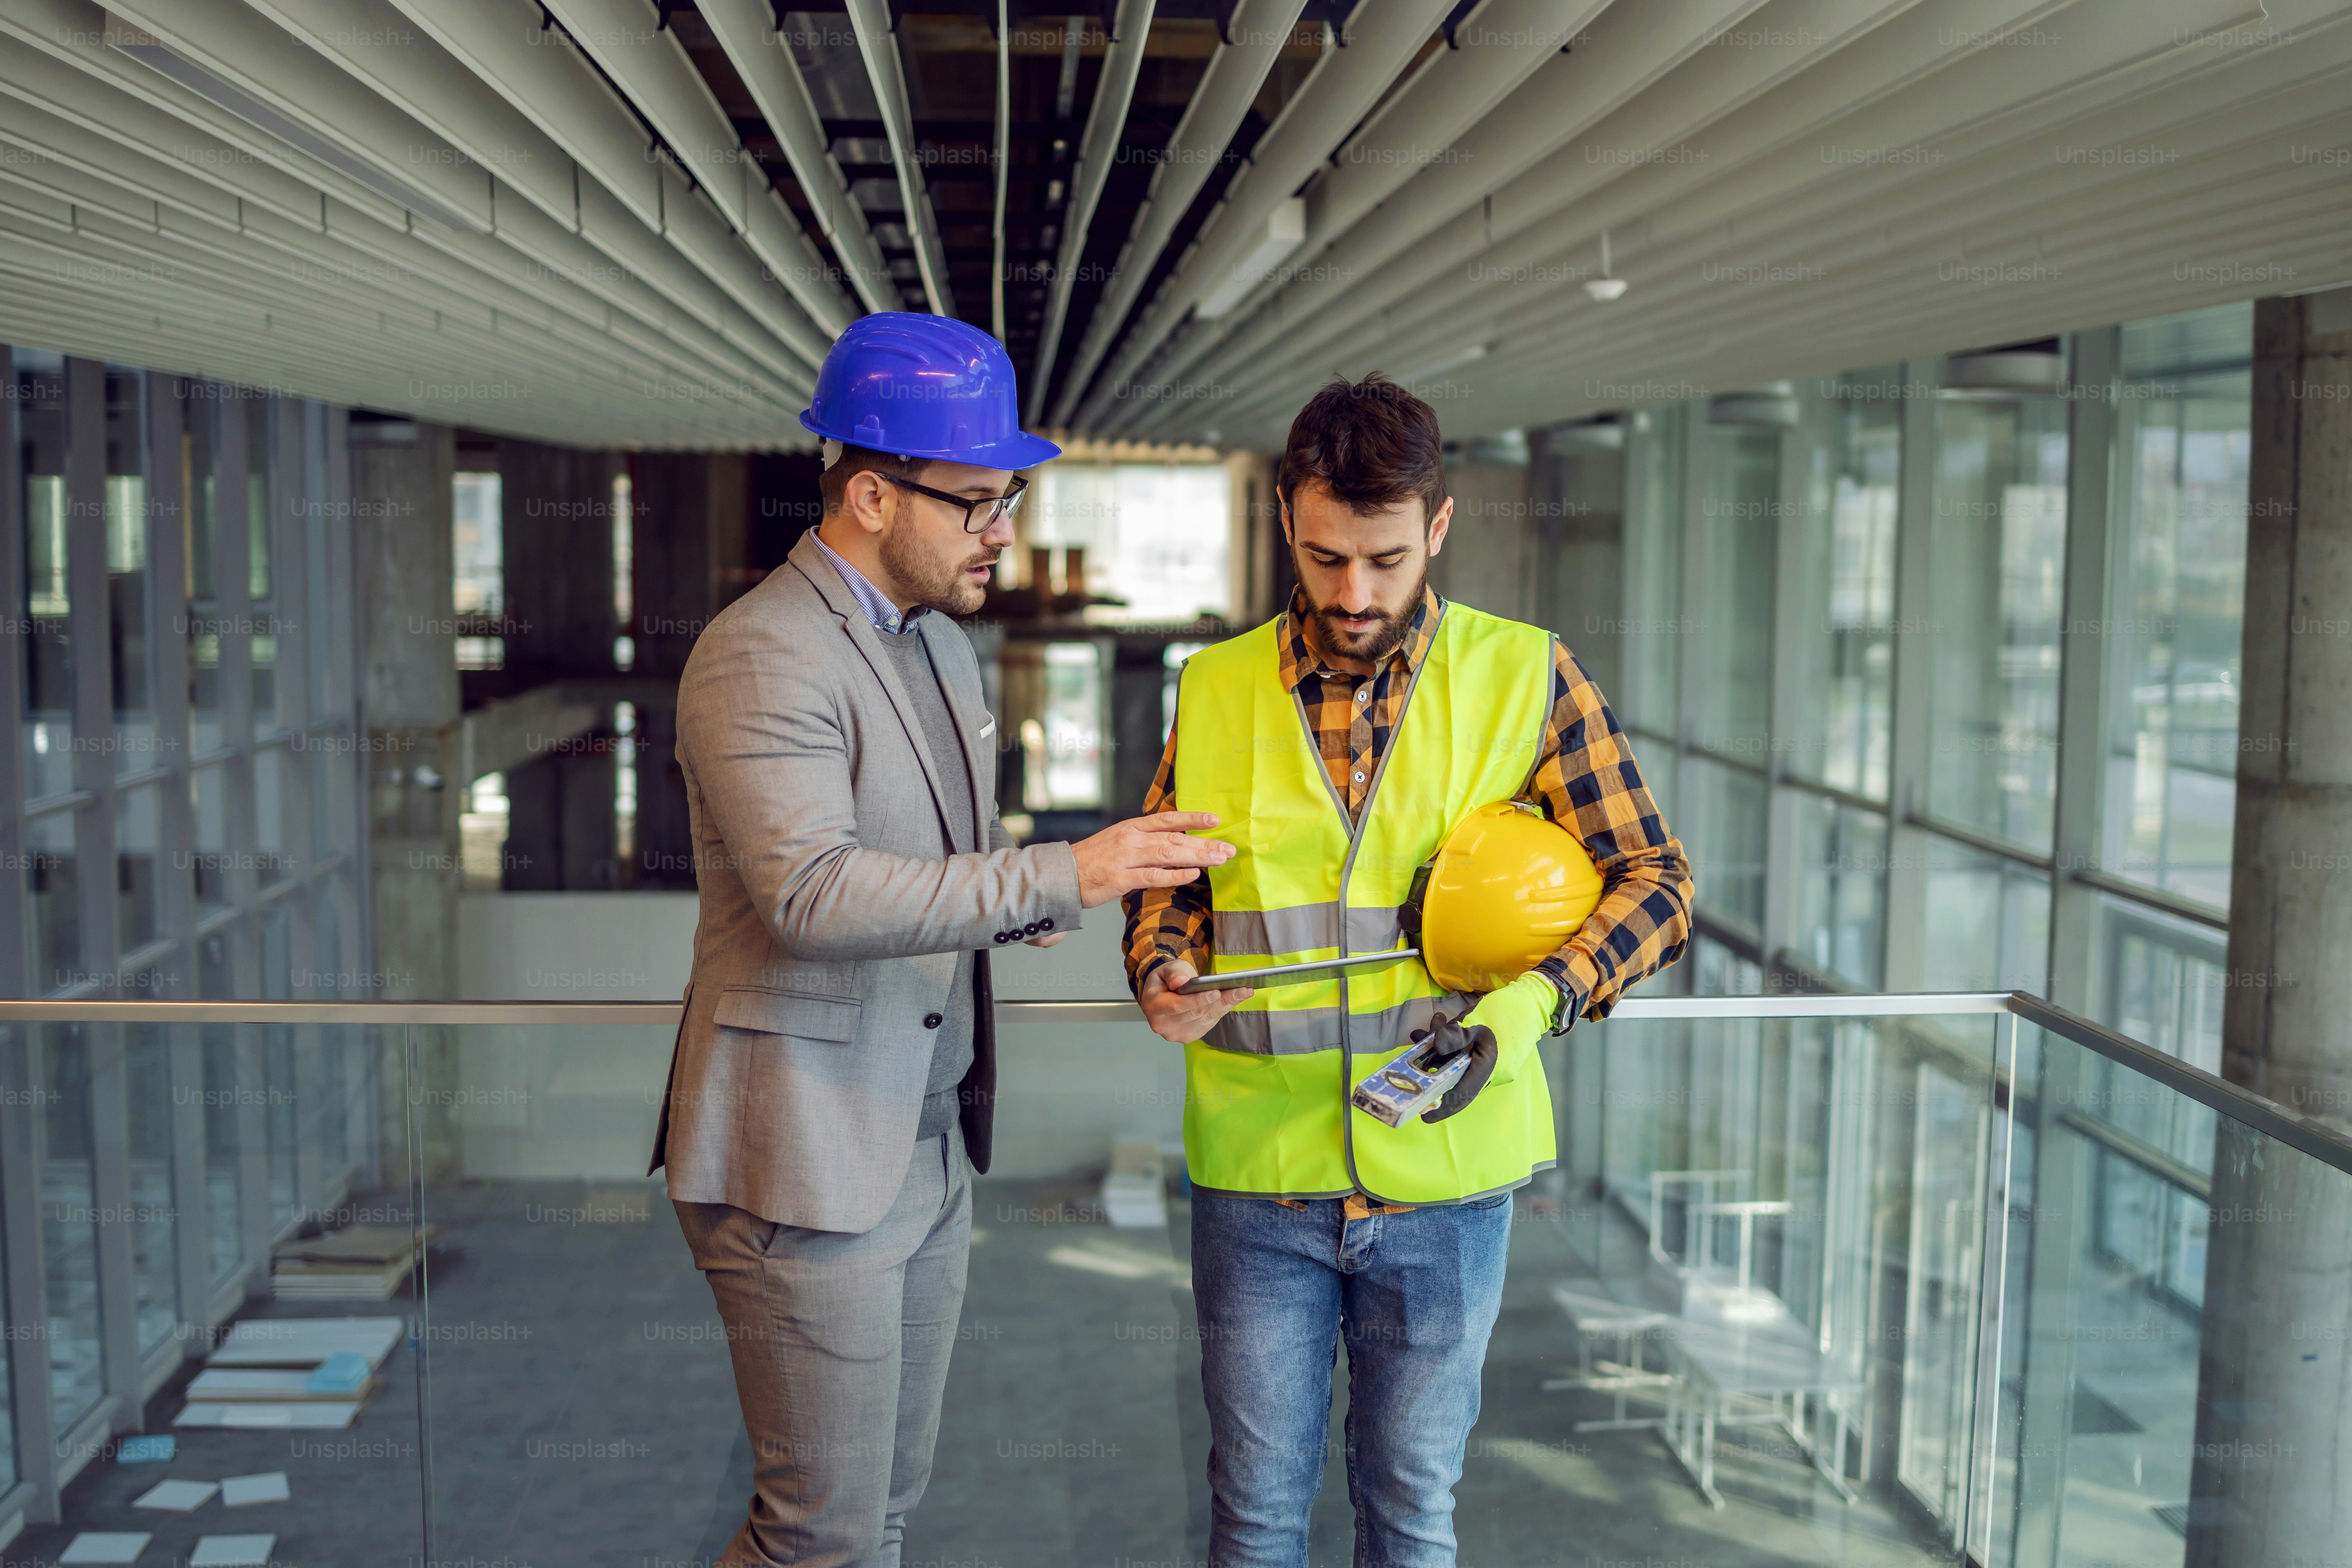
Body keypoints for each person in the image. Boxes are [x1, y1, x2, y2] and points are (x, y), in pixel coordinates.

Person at [651, 311, 1233, 1568]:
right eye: (975, 502)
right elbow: (810, 893)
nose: (1003, 532)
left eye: (1007, 497)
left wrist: (1026, 902)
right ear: (869, 492)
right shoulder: (761, 653)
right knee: (820, 1536)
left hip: (923, 1144)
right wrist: (1061, 872)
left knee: (883, 1517)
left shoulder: (942, 652)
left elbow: (932, 871)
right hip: (804, 1154)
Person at [1123, 374, 1695, 1568]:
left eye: (1384, 559)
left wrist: (1534, 1003)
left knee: (1411, 1514)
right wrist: (1160, 964)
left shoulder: (1527, 675)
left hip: (1446, 1179)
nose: (1353, 593)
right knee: (1256, 1517)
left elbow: (1656, 879)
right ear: (1287, 515)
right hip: (1257, 1177)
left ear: (1436, 527)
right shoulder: (1213, 686)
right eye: (1327, 557)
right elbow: (1167, 881)